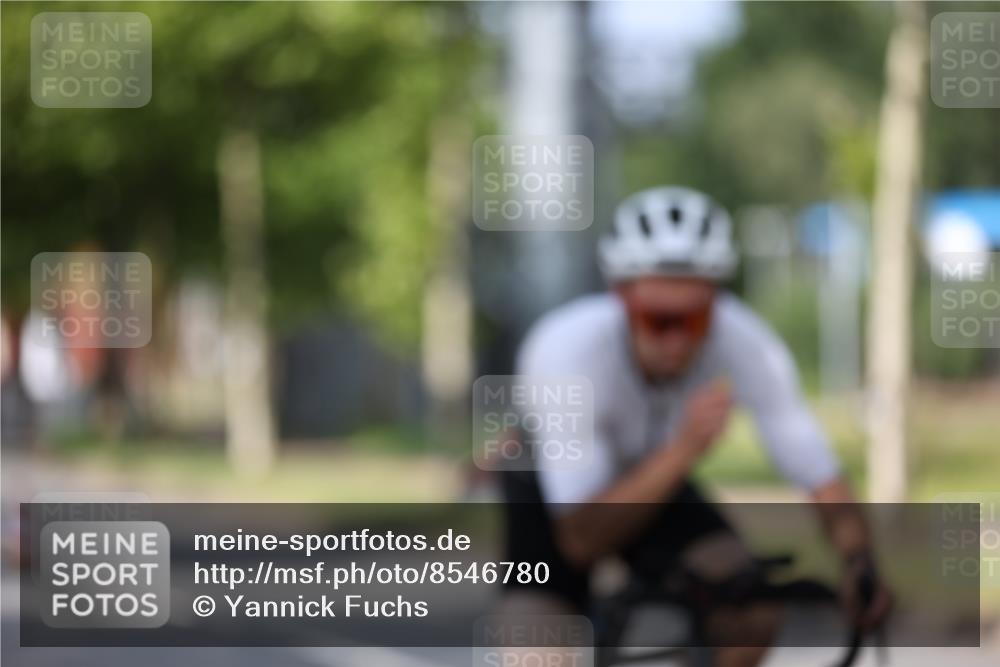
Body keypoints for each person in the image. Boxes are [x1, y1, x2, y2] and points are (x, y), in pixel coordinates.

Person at [500, 186, 891, 667]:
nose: (679, 341)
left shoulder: (746, 342)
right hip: (556, 501)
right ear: (621, 299)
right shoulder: (565, 352)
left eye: (696, 318)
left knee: (751, 612)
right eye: (659, 320)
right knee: (535, 655)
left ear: (717, 303)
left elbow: (819, 471)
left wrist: (858, 560)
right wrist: (684, 449)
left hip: (655, 482)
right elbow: (580, 541)